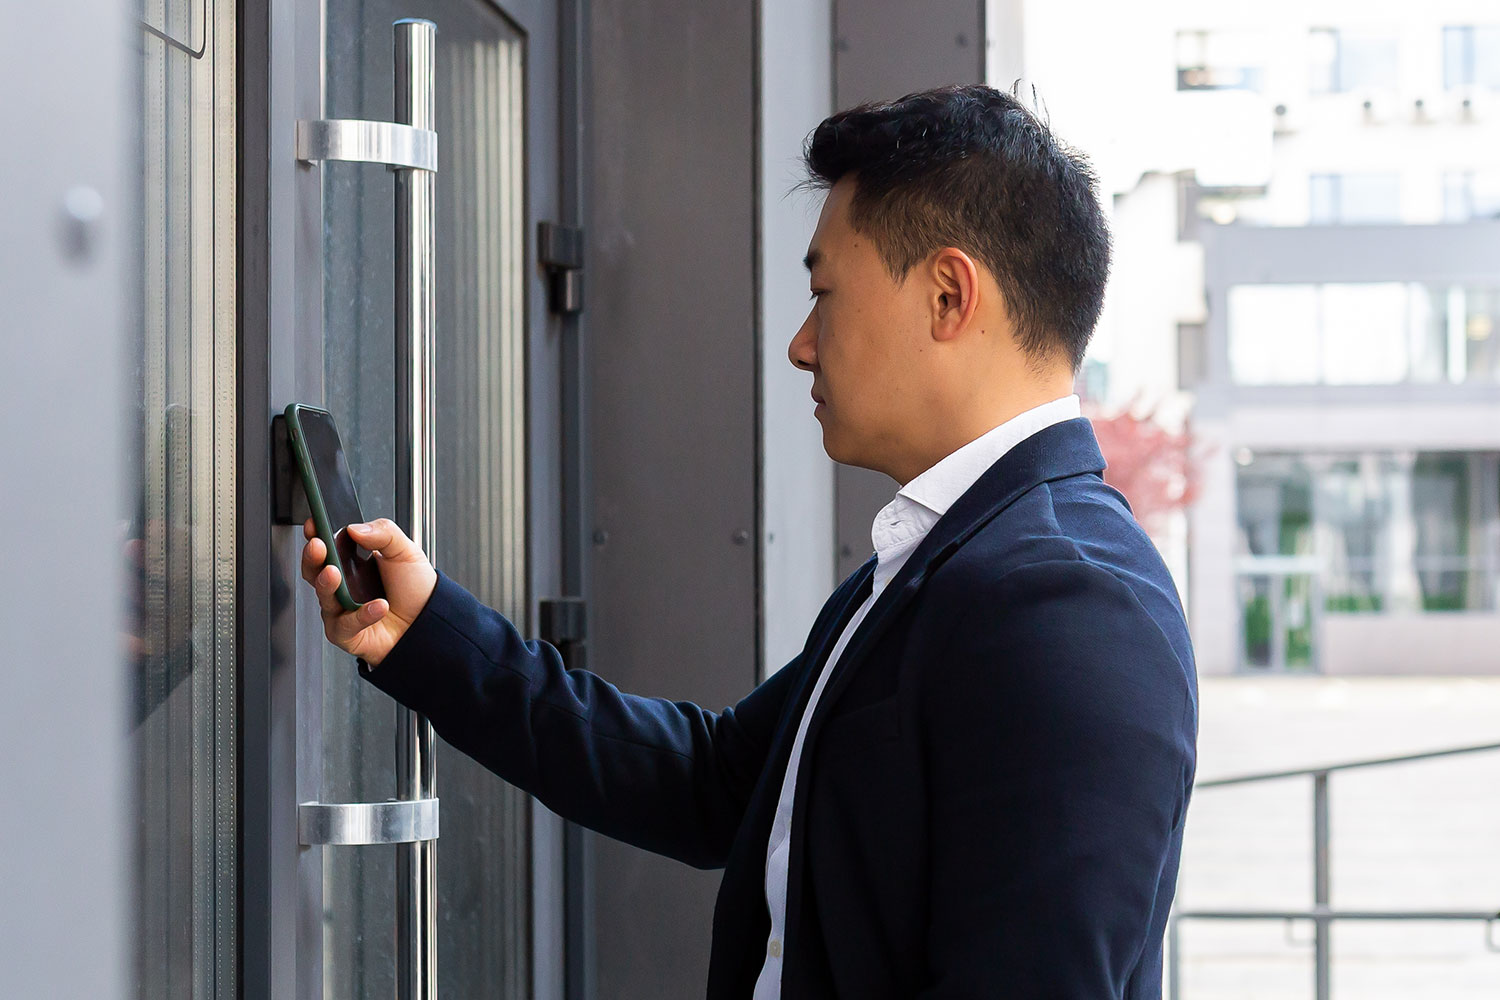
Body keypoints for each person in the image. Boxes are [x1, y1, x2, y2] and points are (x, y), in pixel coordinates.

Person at [300, 84, 1197, 999]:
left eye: (826, 294)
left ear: (948, 294)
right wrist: (426, 632)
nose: (802, 346)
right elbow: (713, 781)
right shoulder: (943, 563)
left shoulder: (1072, 605)